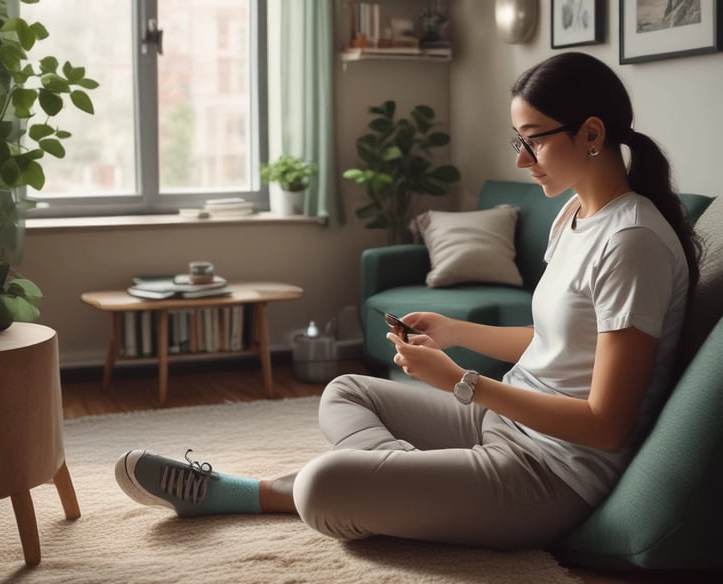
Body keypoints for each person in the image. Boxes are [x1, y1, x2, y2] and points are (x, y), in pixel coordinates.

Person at [114, 52, 701, 549]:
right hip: (504, 420)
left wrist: (462, 383)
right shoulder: (574, 214)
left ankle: (241, 492)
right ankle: (408, 482)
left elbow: (605, 425)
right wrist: (455, 333)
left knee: (324, 488)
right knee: (344, 389)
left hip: (551, 472)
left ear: (592, 134)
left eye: (533, 142)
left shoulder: (633, 243)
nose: (520, 159)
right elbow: (555, 341)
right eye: (516, 141)